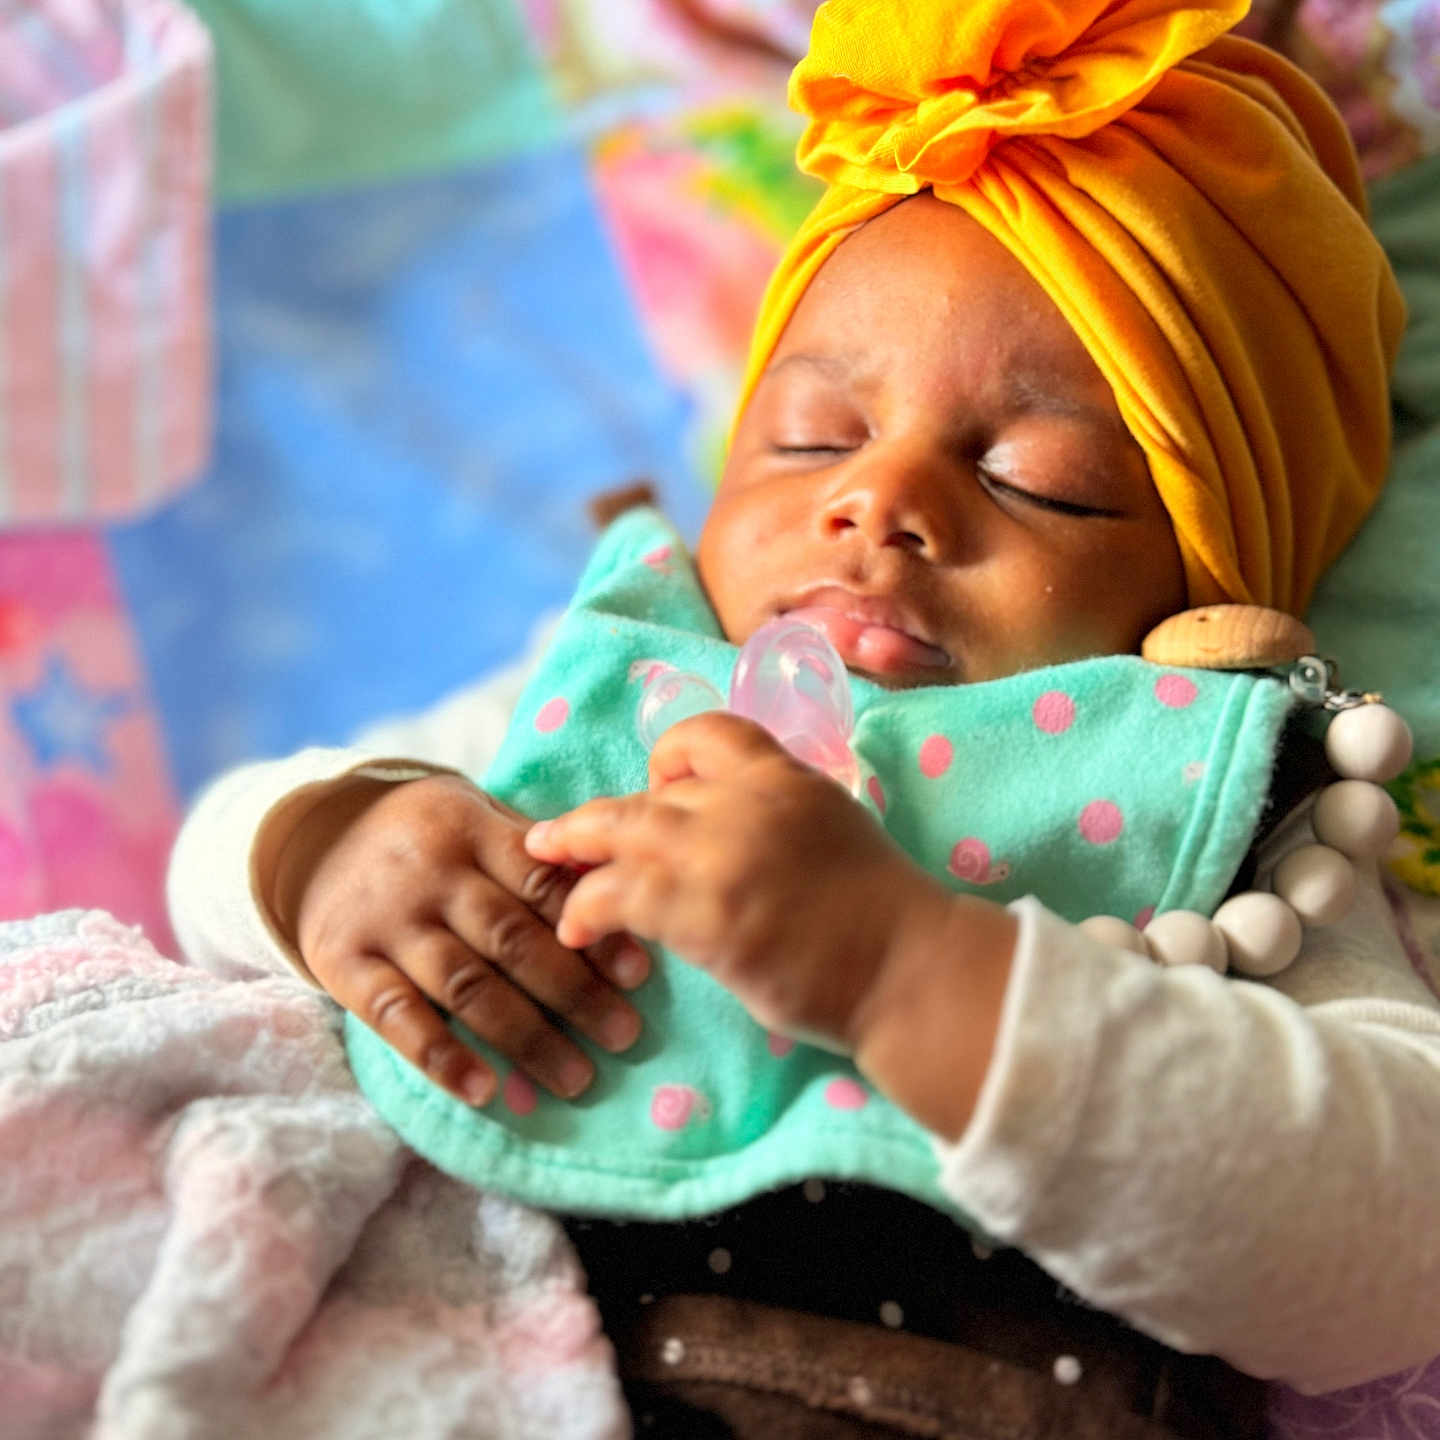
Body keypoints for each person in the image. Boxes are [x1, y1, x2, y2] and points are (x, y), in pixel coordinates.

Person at [170, 0, 1440, 1431]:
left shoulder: (1234, 814)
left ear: (1197, 605)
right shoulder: (628, 675)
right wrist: (328, 848)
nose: (879, 498)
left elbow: (1404, 1240)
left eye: (1040, 477)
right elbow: (207, 869)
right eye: (813, 440)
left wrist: (908, 972)